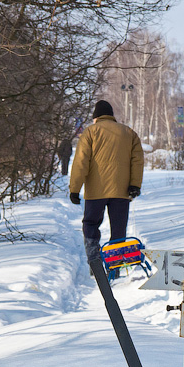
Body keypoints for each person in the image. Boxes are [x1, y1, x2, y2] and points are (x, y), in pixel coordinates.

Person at [68, 100, 143, 263]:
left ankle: (94, 260)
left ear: (96, 117)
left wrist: (74, 189)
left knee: (91, 223)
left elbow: (81, 162)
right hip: (122, 191)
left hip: (96, 191)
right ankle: (115, 264)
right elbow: (137, 161)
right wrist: (135, 185)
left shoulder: (90, 132)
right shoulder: (129, 133)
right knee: (118, 227)